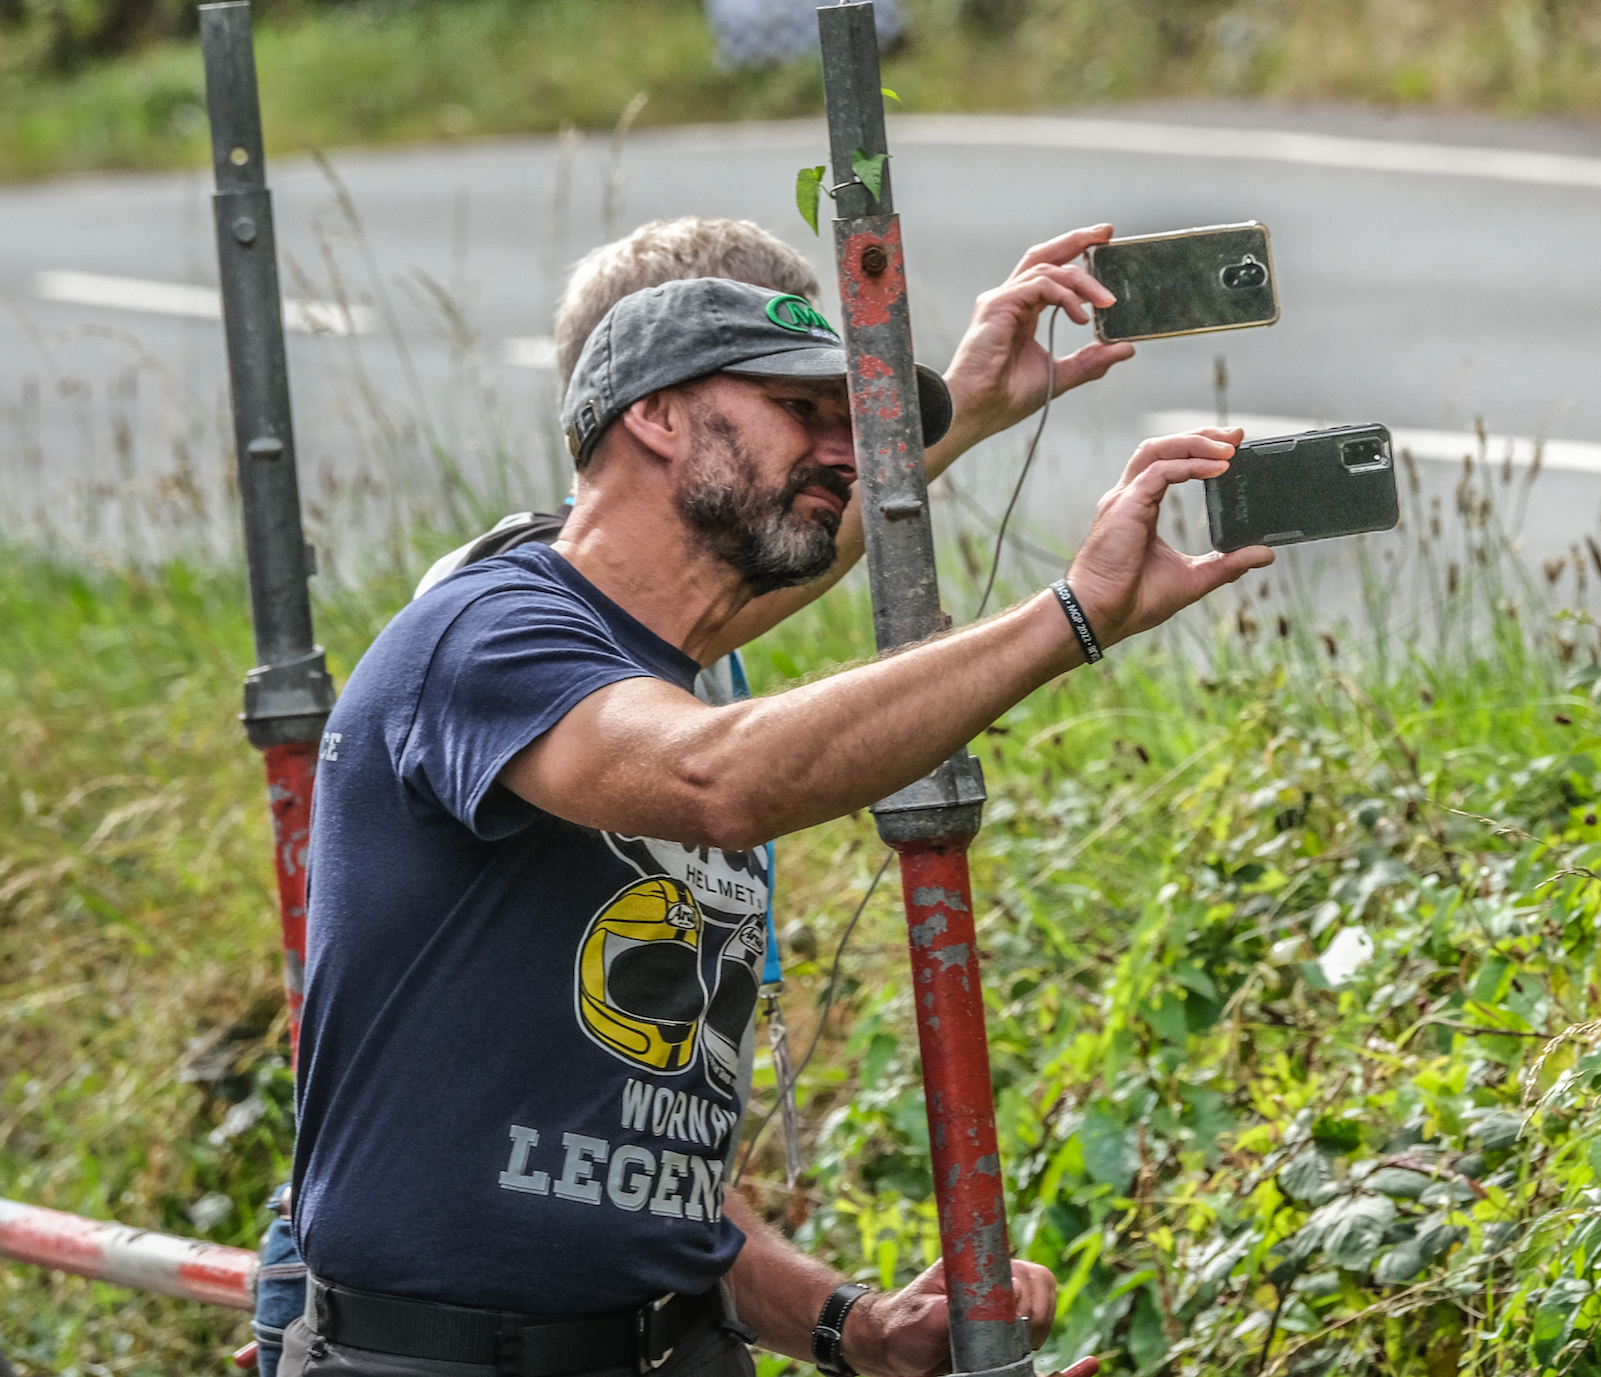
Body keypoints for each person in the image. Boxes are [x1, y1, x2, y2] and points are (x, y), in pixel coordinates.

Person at [277, 273, 1268, 1377]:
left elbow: (642, 1173)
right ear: (653, 415)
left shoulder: (651, 678)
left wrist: (851, 1327)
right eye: (803, 410)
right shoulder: (491, 637)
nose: (845, 450)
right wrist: (1070, 616)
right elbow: (723, 780)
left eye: (856, 424)